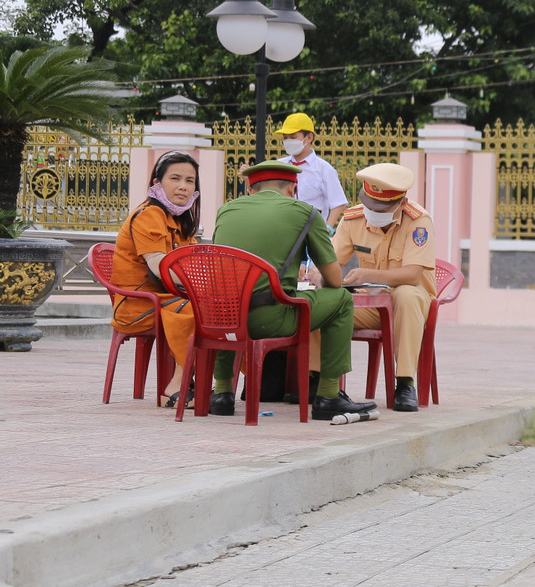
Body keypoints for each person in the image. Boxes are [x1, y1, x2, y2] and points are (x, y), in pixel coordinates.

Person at [207, 160, 375, 421]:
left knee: (231, 299)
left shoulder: (225, 211)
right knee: (342, 300)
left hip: (220, 319)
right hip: (270, 320)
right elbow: (333, 279)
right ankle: (328, 395)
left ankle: (222, 393)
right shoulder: (305, 212)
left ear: (250, 190)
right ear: (292, 189)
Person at [310, 162, 436, 412]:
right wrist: (317, 274)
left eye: (381, 208)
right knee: (321, 304)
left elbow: (413, 275)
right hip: (371, 306)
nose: (373, 212)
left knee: (406, 294)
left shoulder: (418, 221)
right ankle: (317, 381)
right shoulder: (353, 219)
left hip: (410, 306)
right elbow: (329, 260)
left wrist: (369, 274)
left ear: (402, 203)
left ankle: (405, 383)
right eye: (369, 205)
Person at [109, 150, 200, 406]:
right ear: (157, 183)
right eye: (175, 178)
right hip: (138, 303)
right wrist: (201, 283)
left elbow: (194, 263)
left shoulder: (178, 220)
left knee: (221, 311)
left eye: (190, 181)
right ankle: (178, 384)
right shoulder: (149, 214)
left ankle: (218, 384)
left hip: (165, 297)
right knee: (199, 311)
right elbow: (159, 266)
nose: (183, 187)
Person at [275, 112, 348, 229]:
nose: (288, 141)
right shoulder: (279, 165)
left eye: (293, 137)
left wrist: (328, 228)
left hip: (312, 230)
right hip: (283, 229)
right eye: (285, 138)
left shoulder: (324, 169)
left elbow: (338, 203)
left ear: (309, 137)